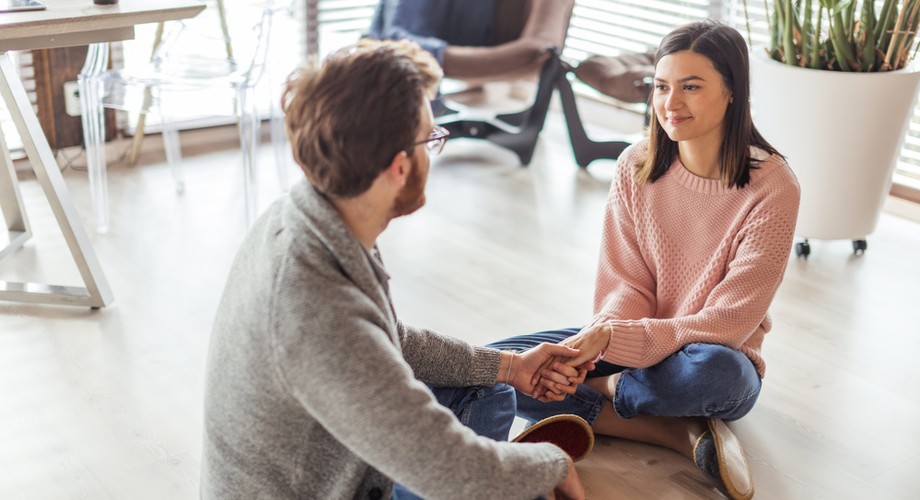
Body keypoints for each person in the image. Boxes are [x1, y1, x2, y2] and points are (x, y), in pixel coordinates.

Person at [200, 39, 591, 500]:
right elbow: (457, 471)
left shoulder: (309, 215)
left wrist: (509, 365)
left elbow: (387, 341)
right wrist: (551, 464)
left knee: (488, 391)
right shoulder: (317, 310)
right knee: (486, 473)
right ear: (399, 166)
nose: (434, 150)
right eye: (431, 139)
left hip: (332, 458)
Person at [488, 20, 801, 500]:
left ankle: (611, 397)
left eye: (691, 87)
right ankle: (678, 433)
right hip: (632, 342)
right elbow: (624, 284)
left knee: (714, 373)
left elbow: (730, 321)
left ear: (733, 91)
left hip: (712, 354)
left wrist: (607, 358)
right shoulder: (636, 164)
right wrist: (605, 336)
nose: (671, 104)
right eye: (661, 87)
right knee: (499, 364)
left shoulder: (772, 186)